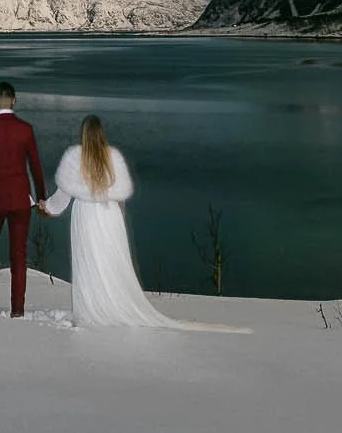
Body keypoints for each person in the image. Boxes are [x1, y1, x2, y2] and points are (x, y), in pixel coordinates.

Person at [39, 115, 249, 333]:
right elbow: (121, 195)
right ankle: (112, 306)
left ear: (83, 134)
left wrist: (47, 207)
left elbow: (62, 197)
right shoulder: (114, 157)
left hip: (85, 217)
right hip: (110, 217)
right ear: (102, 133)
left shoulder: (75, 157)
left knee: (89, 263)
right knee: (111, 263)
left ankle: (92, 309)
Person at [0, 79, 47, 317]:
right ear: (14, 101)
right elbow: (35, 165)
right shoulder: (25, 129)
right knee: (19, 256)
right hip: (19, 200)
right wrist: (42, 196)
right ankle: (17, 309)